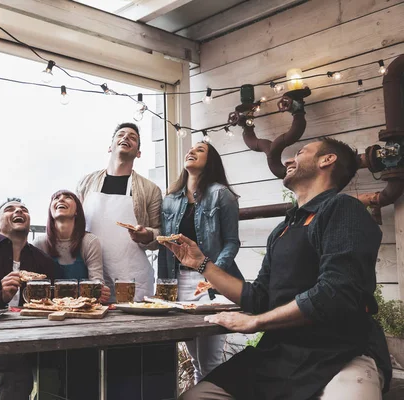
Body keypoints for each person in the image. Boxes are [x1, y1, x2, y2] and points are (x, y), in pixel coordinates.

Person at [162, 138, 392, 400]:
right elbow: (259, 297)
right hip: (280, 355)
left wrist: (256, 322)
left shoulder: (343, 209)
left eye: (300, 152)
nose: (289, 160)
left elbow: (336, 291)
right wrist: (201, 263)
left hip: (342, 352)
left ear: (326, 160)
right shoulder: (282, 230)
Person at [159, 141, 244, 382]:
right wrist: (164, 289)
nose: (192, 151)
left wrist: (214, 272)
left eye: (201, 150)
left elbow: (231, 242)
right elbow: (165, 247)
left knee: (210, 362)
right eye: (191, 149)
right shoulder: (169, 201)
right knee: (196, 360)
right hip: (180, 285)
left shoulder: (221, 194)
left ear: (211, 161)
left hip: (211, 286)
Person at [0, 198, 61, 400]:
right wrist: (2, 296)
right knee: (18, 376)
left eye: (24, 209)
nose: (19, 211)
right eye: (10, 209)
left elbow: (53, 302)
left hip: (36, 337)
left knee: (64, 364)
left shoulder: (43, 260)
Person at [77, 122, 162, 301]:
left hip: (133, 279)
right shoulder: (86, 182)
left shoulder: (150, 189)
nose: (125, 138)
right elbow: (74, 225)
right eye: (121, 135)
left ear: (138, 153)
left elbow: (159, 236)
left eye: (133, 138)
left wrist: (146, 235)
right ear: (110, 147)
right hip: (93, 275)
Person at [33, 189, 111, 302]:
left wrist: (100, 291)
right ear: (51, 211)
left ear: (77, 211)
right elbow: (34, 286)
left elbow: (96, 280)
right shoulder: (39, 244)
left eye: (68, 197)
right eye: (56, 198)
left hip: (83, 308)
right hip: (47, 309)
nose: (61, 199)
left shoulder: (89, 241)